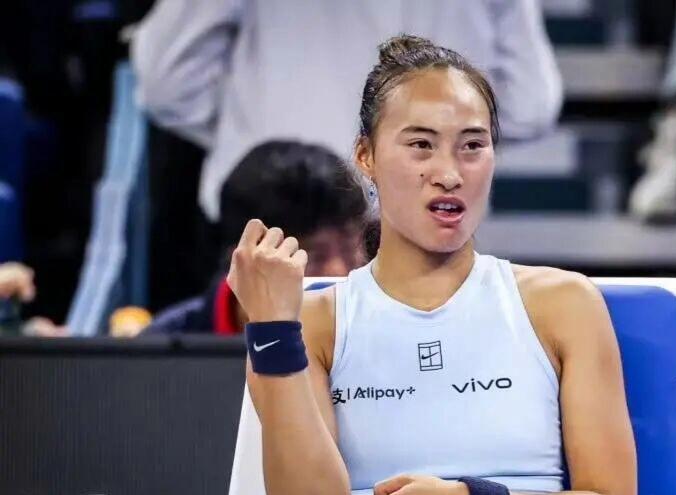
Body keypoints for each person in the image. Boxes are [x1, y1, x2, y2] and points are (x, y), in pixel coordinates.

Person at [229, 35, 636, 495]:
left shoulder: (565, 305)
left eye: (472, 145)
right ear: (366, 156)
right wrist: (274, 334)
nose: (449, 174)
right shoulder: (304, 326)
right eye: (421, 145)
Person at [131, 0, 562, 222]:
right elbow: (529, 105)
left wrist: (250, 135)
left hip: (274, 223)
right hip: (425, 230)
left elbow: (168, 81)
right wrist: (447, 145)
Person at [143, 140, 368, 336]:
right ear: (243, 260)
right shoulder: (159, 353)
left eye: (350, 250)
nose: (340, 273)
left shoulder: (378, 337)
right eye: (314, 257)